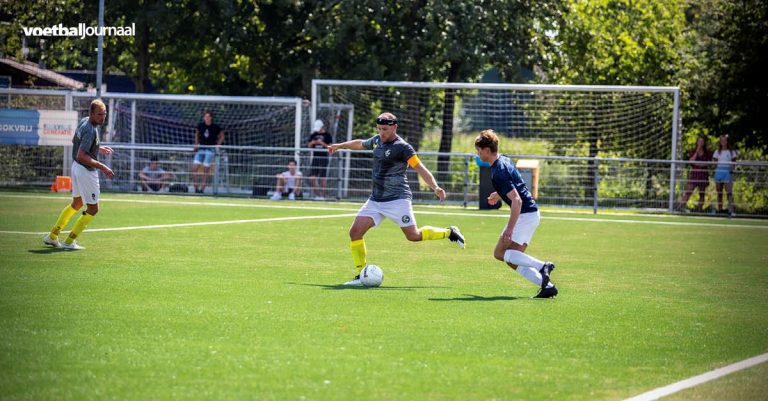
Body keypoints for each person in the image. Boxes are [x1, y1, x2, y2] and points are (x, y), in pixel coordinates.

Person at [326, 112, 465, 286]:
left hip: (398, 199)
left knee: (413, 236)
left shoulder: (403, 147)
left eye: (385, 129)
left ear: (394, 127)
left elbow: (420, 168)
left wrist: (435, 187)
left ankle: (449, 232)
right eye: (379, 129)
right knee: (355, 232)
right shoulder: (377, 140)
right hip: (376, 200)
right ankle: (361, 275)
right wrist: (339, 146)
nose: (381, 132)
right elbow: (360, 144)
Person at [475, 129, 558, 298]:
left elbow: (517, 201)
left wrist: (510, 229)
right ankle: (547, 286)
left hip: (525, 215)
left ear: (487, 150)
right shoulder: (504, 160)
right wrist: (498, 193)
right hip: (531, 214)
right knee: (512, 259)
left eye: (479, 150)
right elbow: (515, 185)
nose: (477, 153)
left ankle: (543, 266)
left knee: (499, 253)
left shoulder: (498, 171)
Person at [42, 99, 114, 250]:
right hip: (85, 171)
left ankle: (53, 236)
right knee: (93, 209)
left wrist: (97, 148)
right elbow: (82, 155)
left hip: (76, 168)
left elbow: (76, 141)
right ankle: (69, 242)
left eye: (105, 114)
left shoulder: (84, 121)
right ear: (92, 114)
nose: (103, 117)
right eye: (100, 114)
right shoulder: (91, 129)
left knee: (77, 203)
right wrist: (103, 167)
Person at [192, 111, 224, 194]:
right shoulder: (200, 125)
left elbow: (222, 136)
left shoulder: (215, 127)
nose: (206, 118)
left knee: (206, 169)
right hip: (201, 148)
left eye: (208, 116)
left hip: (210, 149)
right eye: (205, 116)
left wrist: (218, 145)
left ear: (211, 118)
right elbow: (196, 134)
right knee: (194, 168)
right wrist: (196, 145)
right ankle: (196, 188)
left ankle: (202, 189)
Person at [679, 135, 712, 212]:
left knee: (702, 193)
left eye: (702, 141)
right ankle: (680, 207)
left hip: (703, 174)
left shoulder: (707, 152)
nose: (700, 143)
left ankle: (700, 210)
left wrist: (699, 164)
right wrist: (697, 151)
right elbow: (691, 161)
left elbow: (708, 163)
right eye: (699, 141)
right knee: (688, 191)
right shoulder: (693, 151)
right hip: (694, 174)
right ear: (697, 142)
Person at [713, 134, 738, 217]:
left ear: (727, 141)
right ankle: (720, 210)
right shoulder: (717, 152)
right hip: (719, 172)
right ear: (720, 142)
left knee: (729, 193)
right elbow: (714, 163)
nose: (723, 142)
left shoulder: (731, 152)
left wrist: (731, 170)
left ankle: (731, 210)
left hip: (727, 172)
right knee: (719, 192)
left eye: (725, 140)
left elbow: (734, 162)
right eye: (721, 140)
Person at [307, 119, 332, 200]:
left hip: (324, 158)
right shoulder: (313, 134)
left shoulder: (327, 135)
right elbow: (309, 145)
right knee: (312, 178)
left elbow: (330, 147)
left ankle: (323, 196)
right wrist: (313, 142)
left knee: (323, 178)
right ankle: (318, 195)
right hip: (315, 158)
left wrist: (322, 143)